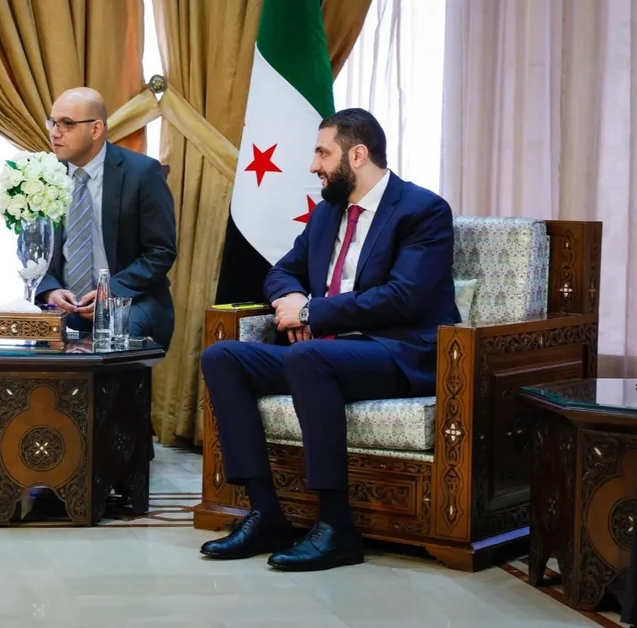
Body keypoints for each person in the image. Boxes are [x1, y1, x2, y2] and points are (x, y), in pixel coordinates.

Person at [197, 108, 459, 572]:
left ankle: (337, 527)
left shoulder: (422, 210)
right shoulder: (326, 214)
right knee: (223, 358)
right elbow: (282, 271)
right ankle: (266, 513)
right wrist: (293, 296)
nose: (314, 165)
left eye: (323, 153)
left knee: (308, 356)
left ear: (357, 155)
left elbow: (405, 296)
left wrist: (312, 313)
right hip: (326, 356)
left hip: (395, 353)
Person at [35, 87, 178, 348]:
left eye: (67, 124)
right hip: (64, 304)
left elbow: (160, 252)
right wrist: (50, 290)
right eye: (52, 122)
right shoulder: (43, 176)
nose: (54, 133)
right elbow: (34, 247)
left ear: (96, 129)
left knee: (116, 337)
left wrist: (109, 291)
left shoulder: (142, 173)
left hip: (130, 298)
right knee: (23, 339)